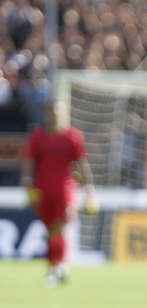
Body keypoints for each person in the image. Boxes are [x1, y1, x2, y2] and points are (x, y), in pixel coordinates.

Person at [21, 101, 98, 287]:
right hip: (42, 190)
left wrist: (90, 191)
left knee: (59, 228)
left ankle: (58, 268)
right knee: (50, 232)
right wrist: (27, 184)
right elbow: (28, 162)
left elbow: (82, 164)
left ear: (64, 114)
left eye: (58, 112)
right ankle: (56, 267)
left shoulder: (73, 137)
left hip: (65, 190)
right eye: (52, 112)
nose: (55, 115)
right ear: (47, 113)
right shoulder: (37, 137)